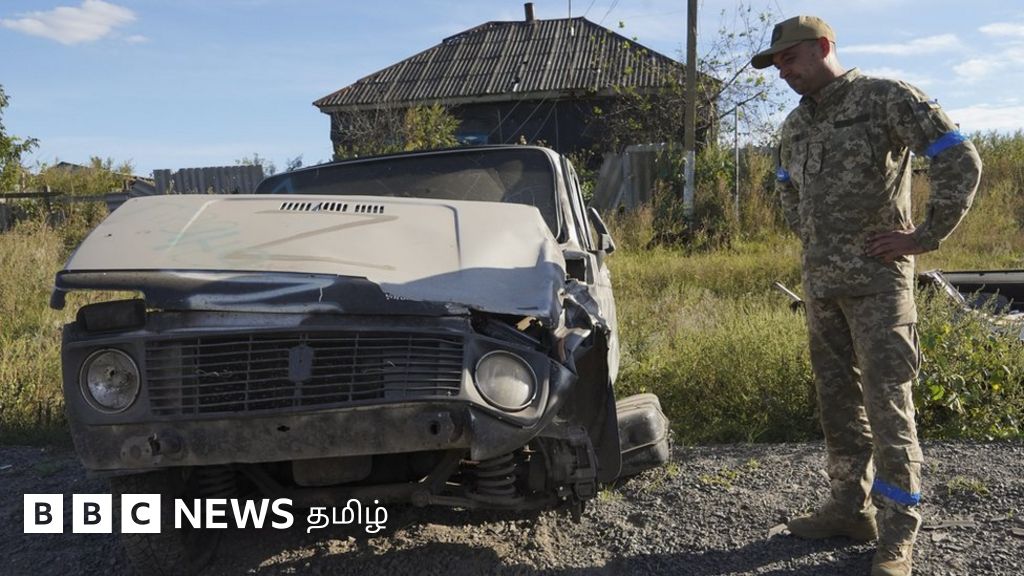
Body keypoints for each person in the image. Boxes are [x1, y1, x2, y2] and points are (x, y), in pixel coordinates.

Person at [750, 15, 982, 576]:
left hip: (879, 286)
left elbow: (960, 158)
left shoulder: (884, 99)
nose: (782, 71)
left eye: (790, 58)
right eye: (776, 63)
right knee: (838, 408)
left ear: (824, 47)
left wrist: (920, 237)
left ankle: (897, 536)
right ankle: (848, 509)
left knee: (888, 409)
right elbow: (785, 186)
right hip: (822, 287)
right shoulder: (794, 125)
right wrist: (812, 240)